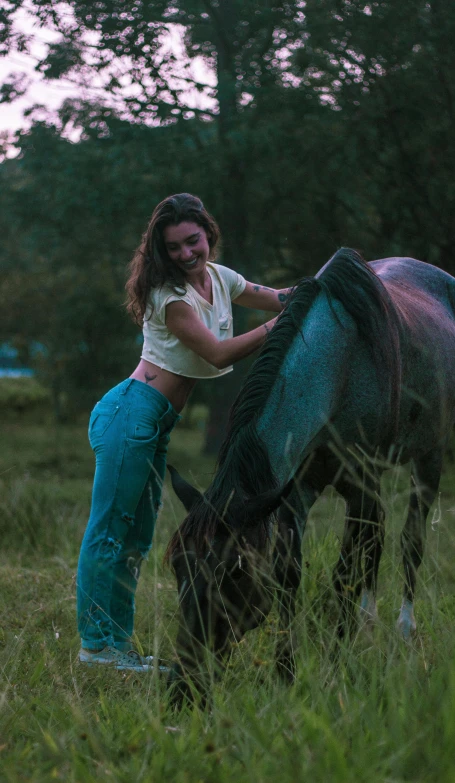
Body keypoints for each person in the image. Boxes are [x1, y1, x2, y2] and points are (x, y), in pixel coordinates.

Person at [77, 193, 291, 671]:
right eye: (173, 247)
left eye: (192, 241)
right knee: (110, 532)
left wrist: (319, 290)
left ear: (207, 234)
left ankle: (115, 647)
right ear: (161, 250)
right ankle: (96, 648)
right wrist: (280, 325)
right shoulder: (169, 297)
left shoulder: (220, 277)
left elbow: (278, 296)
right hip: (131, 414)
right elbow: (217, 354)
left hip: (157, 422)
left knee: (136, 538)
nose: (186, 254)